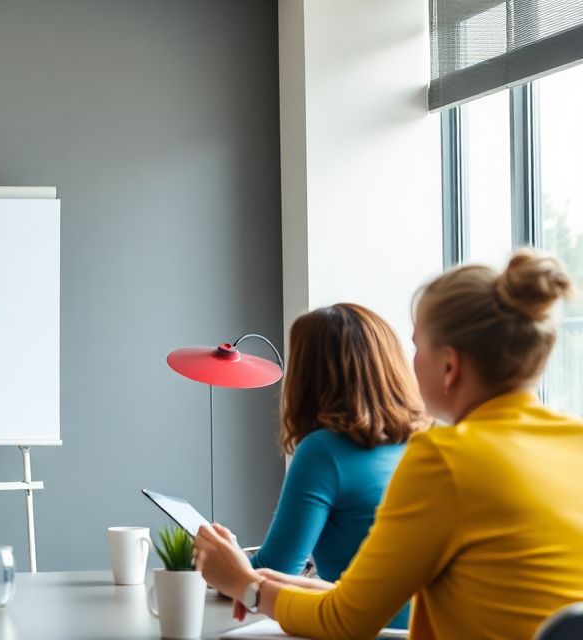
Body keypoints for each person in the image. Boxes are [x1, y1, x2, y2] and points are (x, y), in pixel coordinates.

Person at [196, 249, 583, 640]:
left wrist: (247, 586)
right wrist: (273, 583)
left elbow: (345, 622)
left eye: (417, 347)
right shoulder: (575, 442)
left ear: (449, 367)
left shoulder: (443, 456)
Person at [247, 303, 429, 630]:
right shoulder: (429, 443)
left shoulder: (322, 451)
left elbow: (274, 571)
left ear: (308, 376)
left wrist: (217, 562)